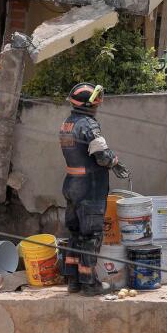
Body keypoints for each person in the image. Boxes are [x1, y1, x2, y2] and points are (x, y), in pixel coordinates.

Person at [60, 82, 127, 296]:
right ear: (90, 103)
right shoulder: (89, 125)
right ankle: (89, 283)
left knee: (75, 234)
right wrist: (115, 161)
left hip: (71, 185)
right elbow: (103, 157)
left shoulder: (67, 124)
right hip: (90, 188)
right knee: (92, 235)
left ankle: (73, 281)